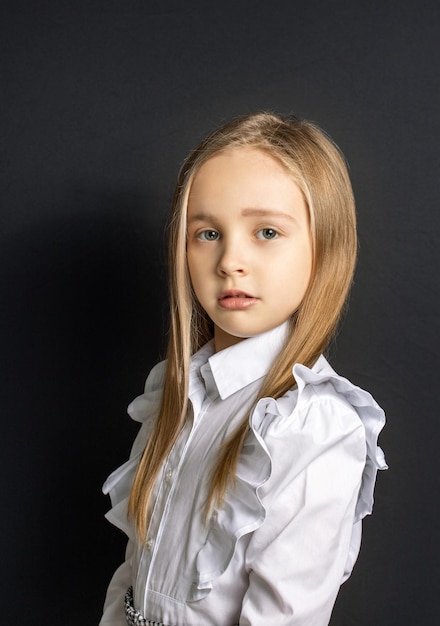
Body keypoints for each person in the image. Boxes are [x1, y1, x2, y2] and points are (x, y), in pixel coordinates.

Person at [99, 112, 387, 626]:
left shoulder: (309, 425)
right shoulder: (179, 388)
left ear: (325, 250)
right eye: (207, 233)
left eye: (267, 231)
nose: (231, 260)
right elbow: (135, 576)